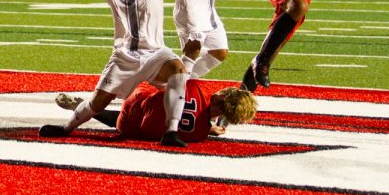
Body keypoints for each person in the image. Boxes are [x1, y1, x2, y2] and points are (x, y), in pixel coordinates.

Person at [38, 0, 194, 147]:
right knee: (97, 103)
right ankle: (66, 128)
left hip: (155, 53)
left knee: (178, 69)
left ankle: (171, 131)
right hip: (124, 56)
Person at [54, 81, 257, 143]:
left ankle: (90, 105)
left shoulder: (196, 87)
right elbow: (195, 120)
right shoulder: (200, 134)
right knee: (154, 117)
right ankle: (88, 107)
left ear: (222, 98)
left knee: (153, 86)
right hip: (128, 130)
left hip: (134, 104)